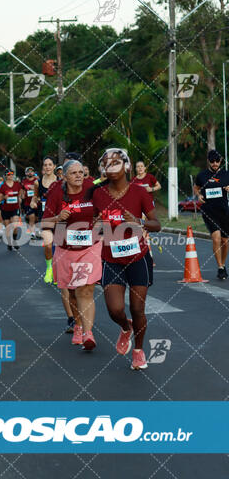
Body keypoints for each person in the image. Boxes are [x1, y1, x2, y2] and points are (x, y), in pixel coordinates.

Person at [91, 148, 161, 370]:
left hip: (138, 258)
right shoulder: (99, 194)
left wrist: (139, 221)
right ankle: (125, 328)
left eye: (115, 162)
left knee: (138, 309)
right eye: (106, 163)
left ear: (126, 166)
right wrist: (98, 225)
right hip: (111, 259)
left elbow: (156, 225)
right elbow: (92, 227)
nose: (109, 167)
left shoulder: (139, 192)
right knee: (115, 310)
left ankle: (138, 351)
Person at [42, 159, 102, 350]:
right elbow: (45, 222)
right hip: (65, 247)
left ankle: (88, 333)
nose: (78, 176)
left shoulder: (92, 189)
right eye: (74, 173)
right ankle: (77, 324)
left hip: (90, 246)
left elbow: (105, 213)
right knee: (73, 293)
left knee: (85, 289)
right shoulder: (56, 193)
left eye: (80, 172)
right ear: (65, 176)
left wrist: (99, 225)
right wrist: (58, 217)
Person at [195, 150, 229, 280]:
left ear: (221, 161)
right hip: (209, 211)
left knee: (225, 241)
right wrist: (198, 195)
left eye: (217, 161)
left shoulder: (226, 174)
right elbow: (196, 187)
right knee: (216, 238)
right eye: (212, 161)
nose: (215, 163)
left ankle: (223, 263)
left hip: (224, 211)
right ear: (208, 161)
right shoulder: (202, 175)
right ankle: (220, 267)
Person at [0, 170, 22, 251]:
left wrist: (20, 199)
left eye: (12, 174)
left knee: (15, 226)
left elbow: (20, 194)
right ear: (5, 176)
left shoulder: (17, 185)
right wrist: (4, 197)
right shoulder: (3, 186)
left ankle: (14, 241)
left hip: (15, 209)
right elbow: (0, 198)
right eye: (8, 174)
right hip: (5, 209)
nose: (10, 176)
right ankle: (9, 243)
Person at [20, 166, 38, 240]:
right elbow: (21, 191)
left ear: (34, 172)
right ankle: (32, 233)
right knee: (32, 216)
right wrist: (22, 196)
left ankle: (33, 228)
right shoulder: (23, 181)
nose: (30, 172)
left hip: (37, 202)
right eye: (28, 171)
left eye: (31, 171)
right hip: (28, 203)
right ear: (26, 173)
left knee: (36, 218)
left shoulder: (37, 180)